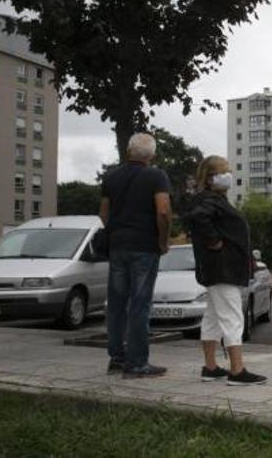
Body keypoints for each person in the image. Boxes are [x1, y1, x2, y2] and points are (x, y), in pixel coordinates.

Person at [186, 155, 266, 386]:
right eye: (224, 170)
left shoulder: (212, 198)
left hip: (219, 268)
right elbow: (200, 217)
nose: (229, 174)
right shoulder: (209, 200)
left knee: (212, 317)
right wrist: (214, 241)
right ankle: (237, 371)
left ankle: (211, 367)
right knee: (233, 317)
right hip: (223, 268)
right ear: (210, 178)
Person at [100, 133, 171, 378]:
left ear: (129, 151)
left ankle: (117, 358)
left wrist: (115, 233)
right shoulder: (156, 176)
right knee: (140, 305)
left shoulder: (111, 177)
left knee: (117, 305)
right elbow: (163, 211)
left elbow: (104, 214)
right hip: (144, 246)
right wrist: (162, 240)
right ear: (151, 155)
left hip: (117, 246)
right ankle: (137, 363)